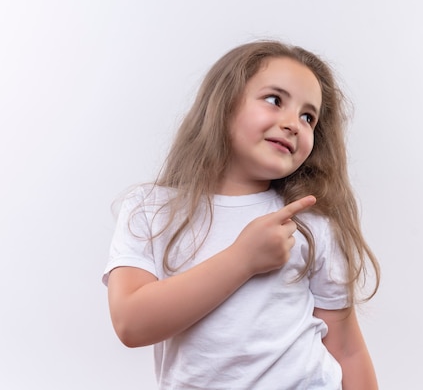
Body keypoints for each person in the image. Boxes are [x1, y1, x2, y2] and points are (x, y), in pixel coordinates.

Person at [103, 40, 380, 389]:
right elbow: (131, 323)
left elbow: (346, 348)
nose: (294, 123)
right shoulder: (151, 209)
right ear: (223, 104)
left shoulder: (311, 222)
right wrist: (243, 259)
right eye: (275, 100)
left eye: (308, 117)